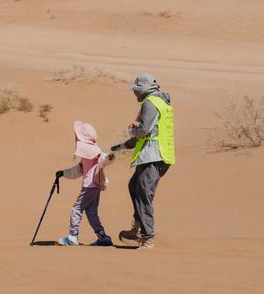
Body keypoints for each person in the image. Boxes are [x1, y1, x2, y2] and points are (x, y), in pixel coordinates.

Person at [111, 73, 175, 249]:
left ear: (144, 88)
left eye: (135, 89)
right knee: (135, 187)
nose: (134, 93)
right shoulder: (160, 102)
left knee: (144, 193)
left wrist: (133, 130)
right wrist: (125, 145)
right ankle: (138, 227)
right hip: (156, 155)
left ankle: (147, 238)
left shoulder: (150, 103)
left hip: (154, 156)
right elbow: (152, 130)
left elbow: (144, 130)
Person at [56, 121, 115, 246]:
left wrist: (110, 157)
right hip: (95, 187)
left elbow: (103, 159)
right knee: (91, 211)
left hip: (89, 186)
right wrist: (63, 173)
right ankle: (102, 237)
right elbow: (79, 170)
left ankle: (72, 237)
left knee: (77, 209)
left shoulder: (94, 152)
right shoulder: (87, 154)